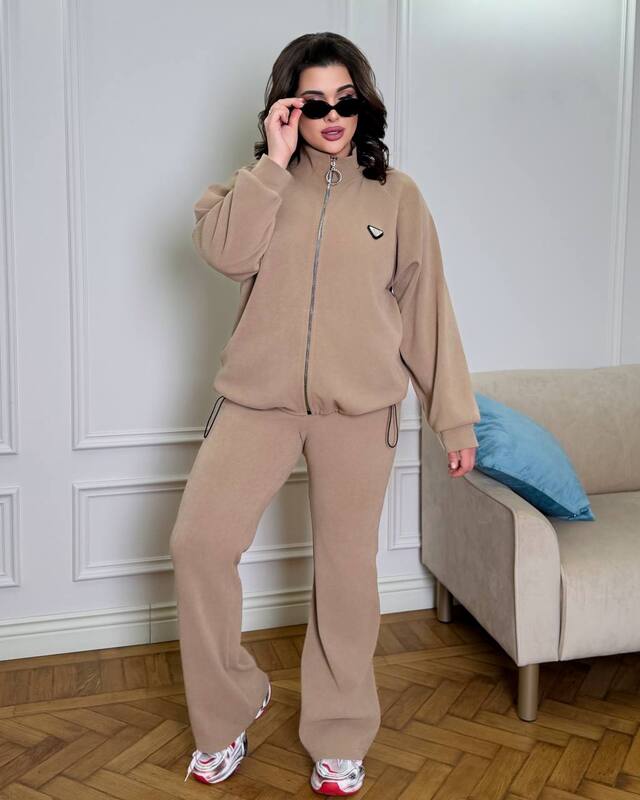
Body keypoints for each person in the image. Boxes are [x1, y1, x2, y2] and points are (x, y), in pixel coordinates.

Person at [170, 31, 480, 796]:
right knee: (199, 545)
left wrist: (454, 418)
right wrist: (273, 165)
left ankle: (340, 734)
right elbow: (226, 256)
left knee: (346, 574)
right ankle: (229, 708)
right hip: (258, 403)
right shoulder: (252, 188)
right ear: (286, 109)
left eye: (346, 100)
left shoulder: (397, 196)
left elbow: (427, 309)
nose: (332, 116)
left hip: (359, 411)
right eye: (314, 104)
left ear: (364, 104)